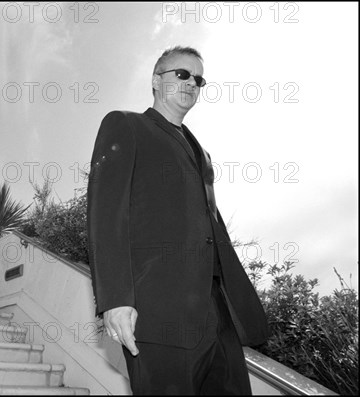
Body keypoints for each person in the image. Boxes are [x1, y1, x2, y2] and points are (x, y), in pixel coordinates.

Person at [87, 46, 269, 395]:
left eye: (198, 79)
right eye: (182, 74)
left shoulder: (203, 153)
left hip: (217, 313)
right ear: (156, 81)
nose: (191, 83)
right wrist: (114, 298)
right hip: (158, 311)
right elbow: (105, 212)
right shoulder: (125, 125)